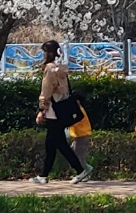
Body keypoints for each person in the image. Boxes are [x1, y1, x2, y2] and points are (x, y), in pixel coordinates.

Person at [31, 40, 92, 185]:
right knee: (51, 144)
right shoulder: (60, 68)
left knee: (60, 144)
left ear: (49, 53)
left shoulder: (50, 69)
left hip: (53, 111)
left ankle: (80, 170)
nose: (43, 54)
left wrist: (41, 110)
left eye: (44, 51)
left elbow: (46, 91)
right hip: (60, 109)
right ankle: (44, 175)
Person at [67, 91, 91, 171]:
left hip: (82, 136)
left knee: (80, 157)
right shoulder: (79, 110)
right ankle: (85, 170)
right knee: (73, 153)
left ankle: (86, 170)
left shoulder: (79, 112)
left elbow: (75, 122)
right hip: (79, 136)